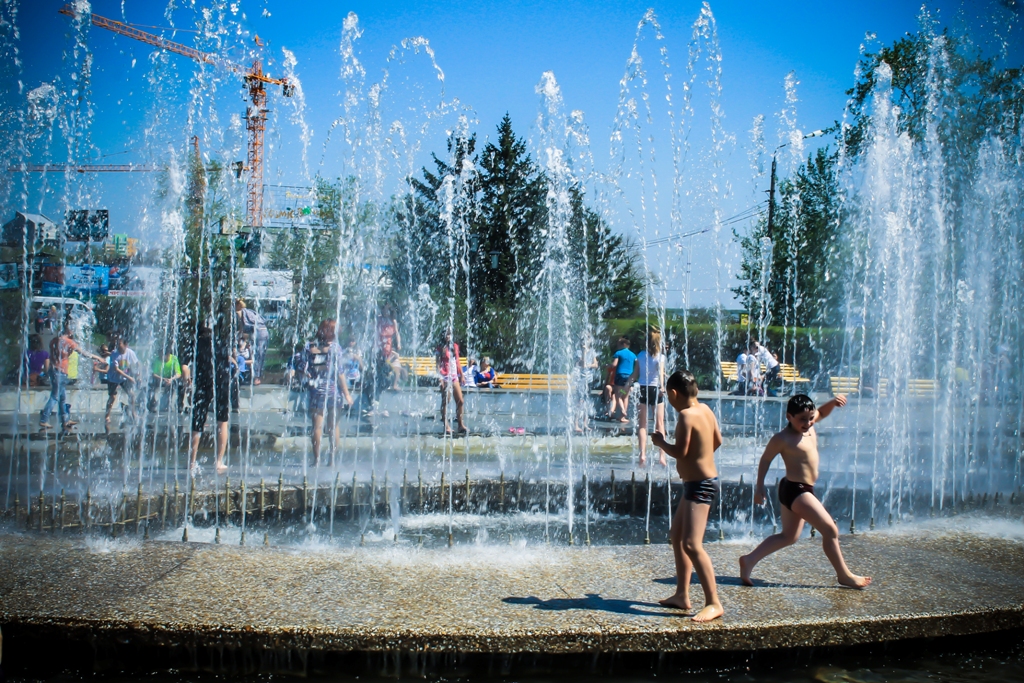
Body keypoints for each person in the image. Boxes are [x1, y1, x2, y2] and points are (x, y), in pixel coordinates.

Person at [739, 394, 871, 590]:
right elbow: (765, 460)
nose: (808, 423)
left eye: (810, 418)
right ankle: (844, 575)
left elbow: (822, 412)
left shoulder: (809, 424)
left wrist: (833, 403)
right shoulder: (782, 438)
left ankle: (749, 560)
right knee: (830, 529)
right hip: (795, 489)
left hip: (802, 489)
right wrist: (759, 487)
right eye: (802, 419)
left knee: (789, 536)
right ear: (789, 417)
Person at [651, 370, 724, 622]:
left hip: (700, 486)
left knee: (692, 544)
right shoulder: (706, 410)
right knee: (677, 536)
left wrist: (660, 443)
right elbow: (717, 441)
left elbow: (680, 452)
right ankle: (682, 594)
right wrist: (701, 457)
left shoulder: (685, 416)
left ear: (673, 394)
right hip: (701, 482)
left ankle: (714, 602)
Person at [296, 319, 353, 466]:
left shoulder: (310, 346)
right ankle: (332, 459)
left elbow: (301, 365)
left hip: (316, 390)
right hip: (334, 391)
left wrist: (306, 374)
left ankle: (316, 460)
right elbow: (340, 373)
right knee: (333, 426)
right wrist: (347, 394)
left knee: (317, 427)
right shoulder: (336, 348)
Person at [188, 324, 230, 476]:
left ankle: (191, 462)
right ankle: (219, 462)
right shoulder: (220, 342)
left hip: (203, 382)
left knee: (197, 422)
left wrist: (188, 383)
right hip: (221, 381)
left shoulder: (196, 344)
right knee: (222, 421)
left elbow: (187, 366)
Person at [39, 326, 100, 432]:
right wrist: (98, 358)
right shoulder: (68, 342)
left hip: (53, 370)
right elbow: (84, 353)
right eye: (73, 328)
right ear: (68, 330)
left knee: (62, 398)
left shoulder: (54, 340)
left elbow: (59, 354)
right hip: (61, 372)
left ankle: (65, 420)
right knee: (55, 397)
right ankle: (44, 419)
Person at [628, 329, 666, 467]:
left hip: (642, 389)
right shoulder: (660, 357)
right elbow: (660, 374)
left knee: (642, 425)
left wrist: (626, 385)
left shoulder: (640, 355)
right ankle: (662, 456)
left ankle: (642, 455)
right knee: (660, 424)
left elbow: (635, 374)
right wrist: (662, 386)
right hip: (655, 389)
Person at [436, 331, 466, 434]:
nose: (448, 336)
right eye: (446, 334)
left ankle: (460, 425)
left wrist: (461, 374)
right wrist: (440, 378)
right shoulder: (440, 348)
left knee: (460, 401)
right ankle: (446, 425)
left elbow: (457, 361)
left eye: (450, 334)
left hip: (454, 377)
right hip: (445, 377)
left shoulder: (455, 346)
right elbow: (438, 363)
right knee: (446, 401)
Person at [105, 337, 139, 424]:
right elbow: (117, 369)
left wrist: (138, 375)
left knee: (132, 395)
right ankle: (107, 415)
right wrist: (130, 377)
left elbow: (136, 363)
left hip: (124, 378)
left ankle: (133, 412)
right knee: (112, 397)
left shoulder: (130, 353)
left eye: (120, 344)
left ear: (125, 345)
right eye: (117, 344)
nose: (118, 346)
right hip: (113, 378)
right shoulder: (115, 354)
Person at [235, 299, 269, 385]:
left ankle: (257, 378)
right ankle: (257, 377)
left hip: (259, 333)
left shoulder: (240, 311)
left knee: (258, 355)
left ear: (238, 305)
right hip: (264, 331)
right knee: (259, 355)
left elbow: (243, 327)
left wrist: (240, 335)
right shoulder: (249, 311)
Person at [605, 337, 636, 422]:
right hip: (629, 377)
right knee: (625, 395)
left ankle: (622, 411)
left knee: (618, 394)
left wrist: (608, 366)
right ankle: (622, 417)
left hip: (620, 376)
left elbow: (614, 365)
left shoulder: (618, 353)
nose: (617, 346)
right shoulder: (633, 355)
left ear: (623, 344)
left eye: (618, 344)